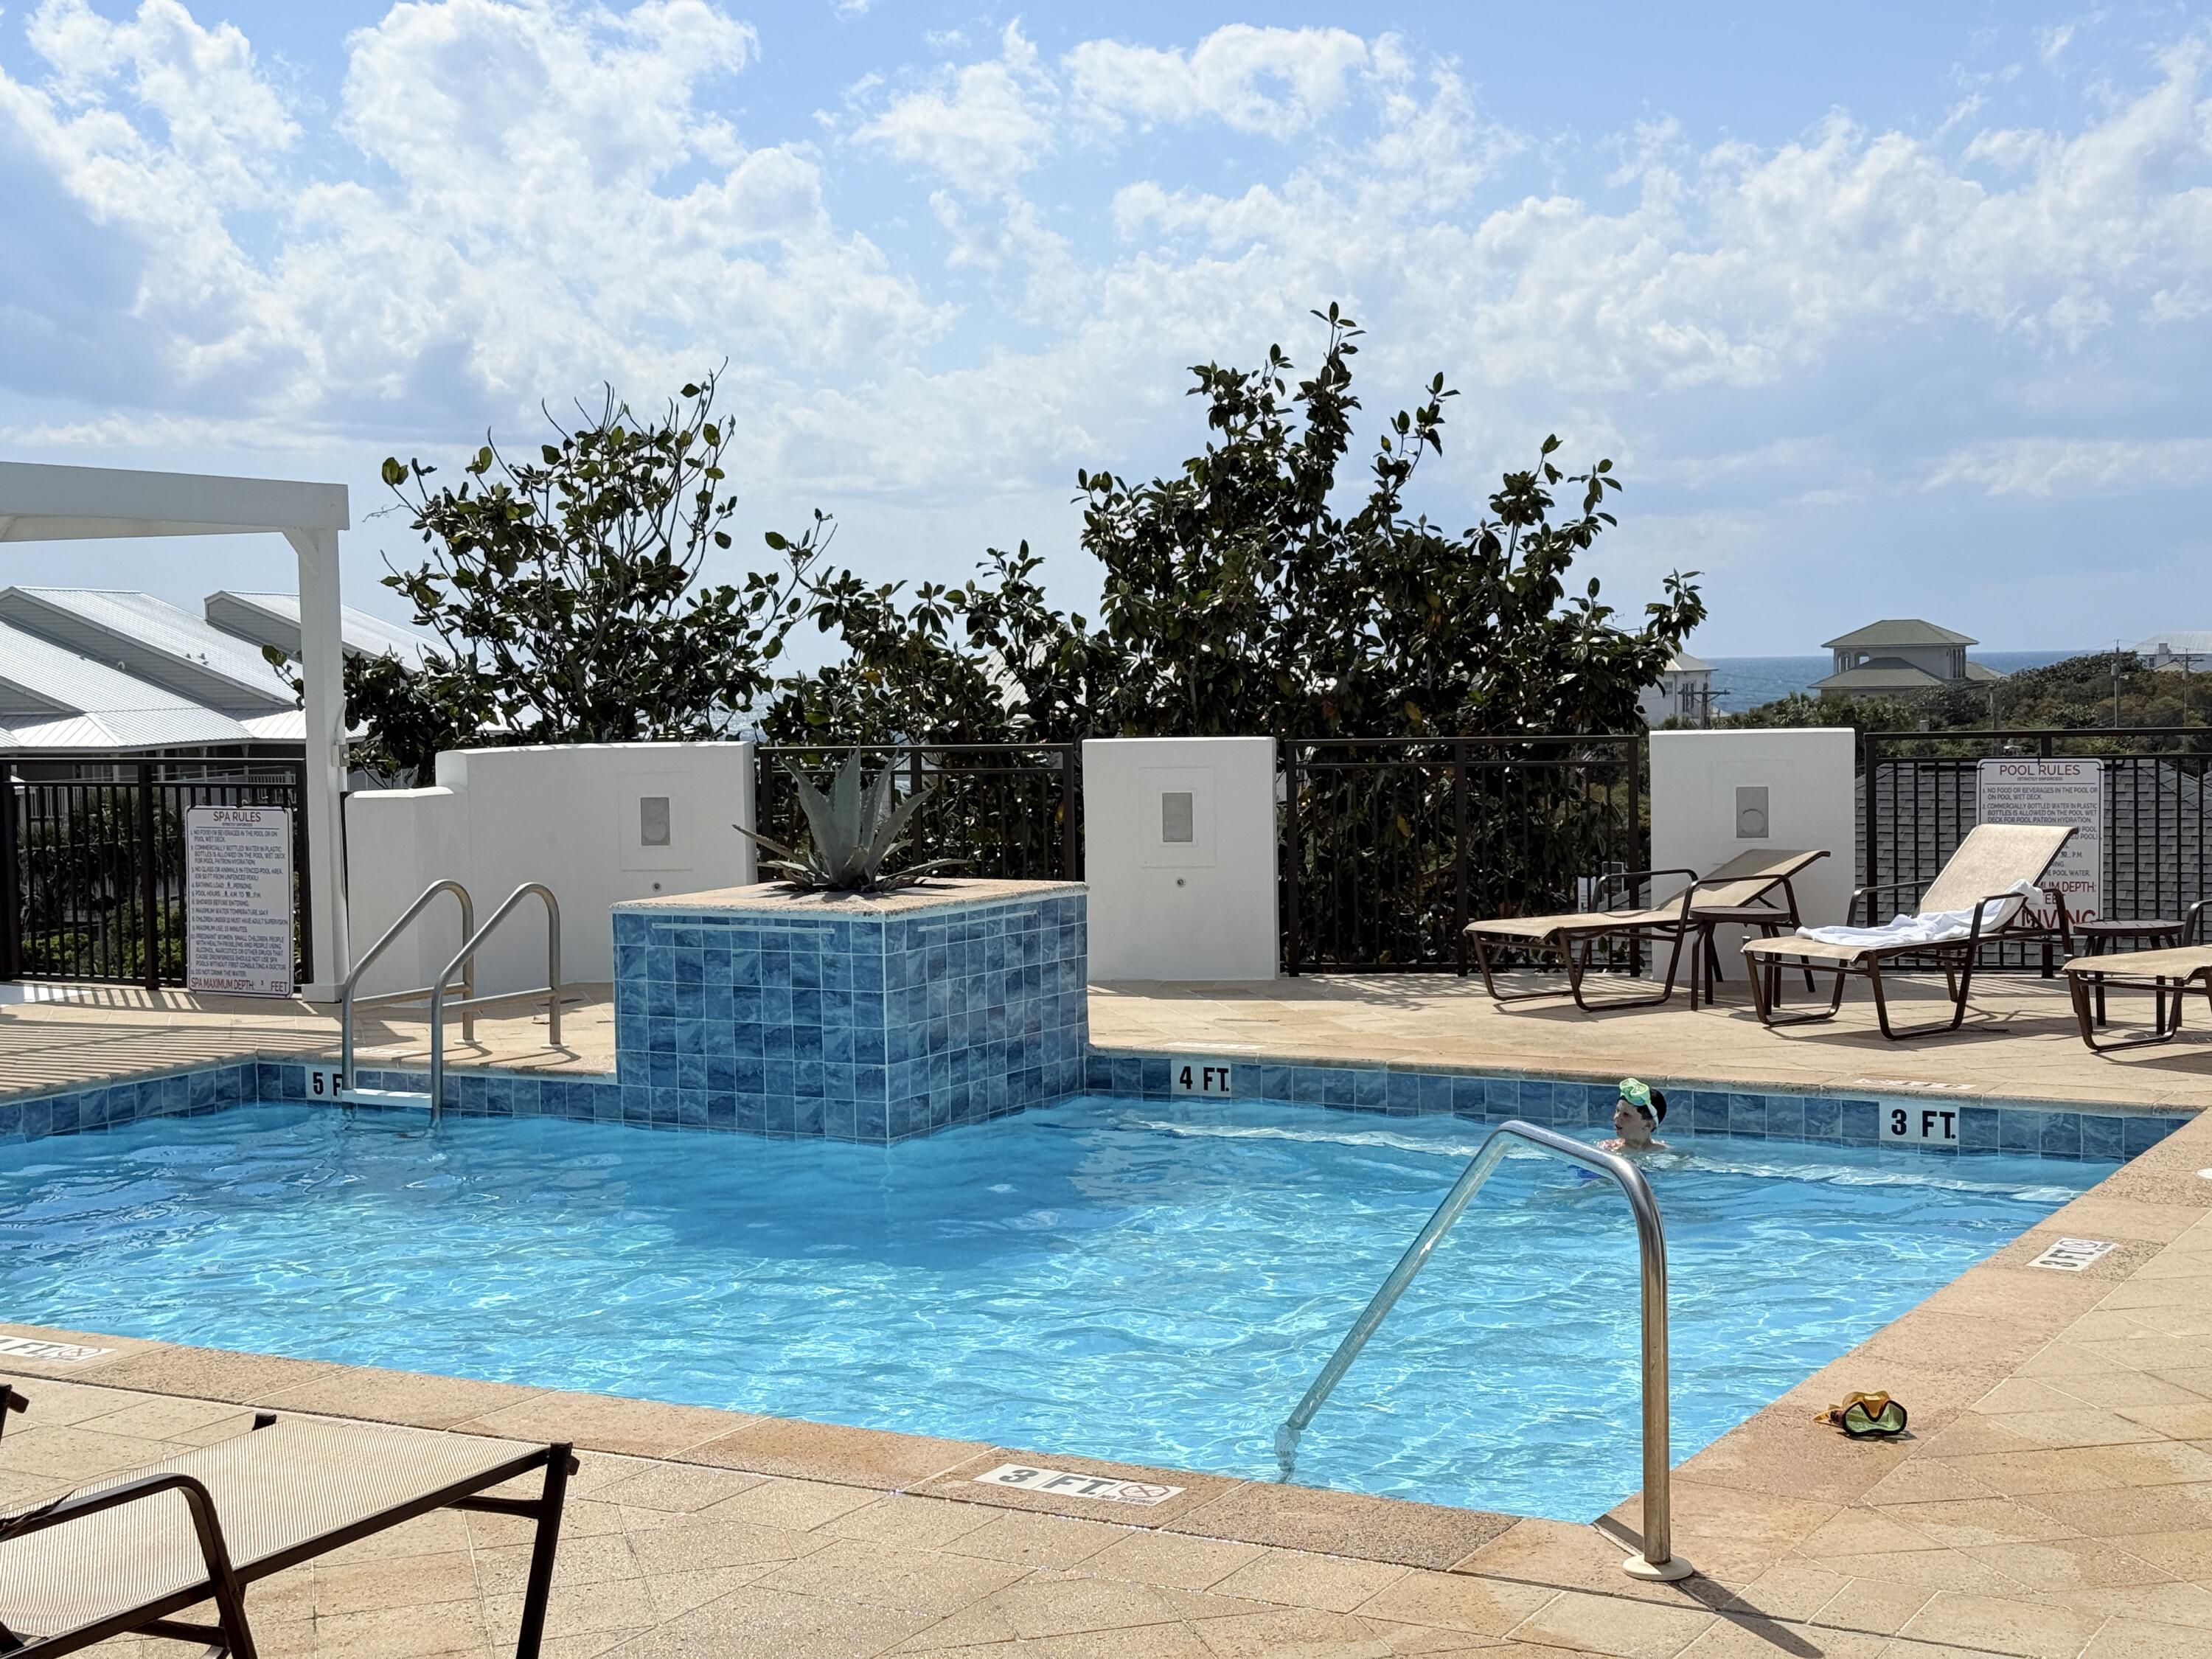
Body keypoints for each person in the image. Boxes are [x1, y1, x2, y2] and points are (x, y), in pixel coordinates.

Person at [1600, 1077, 1669, 1152]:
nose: (1616, 1117)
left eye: (1626, 1114)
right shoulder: (1606, 1148)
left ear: (1648, 1124)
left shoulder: (1664, 1153)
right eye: (1617, 1110)